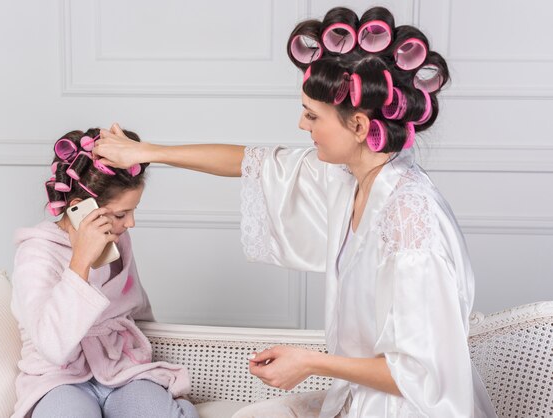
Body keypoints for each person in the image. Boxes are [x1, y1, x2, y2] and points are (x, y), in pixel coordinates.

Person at [92, 6, 497, 418]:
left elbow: (424, 374)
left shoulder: (411, 223)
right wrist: (149, 152)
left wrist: (309, 362)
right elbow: (249, 161)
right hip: (362, 398)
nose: (301, 125)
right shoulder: (349, 177)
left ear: (358, 126)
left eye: (312, 115)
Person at [10, 128, 198, 418]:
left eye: (133, 211)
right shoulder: (36, 254)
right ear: (79, 209)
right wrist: (80, 263)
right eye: (121, 214)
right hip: (58, 378)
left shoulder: (117, 241)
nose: (131, 223)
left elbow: (138, 308)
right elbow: (52, 347)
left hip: (120, 370)